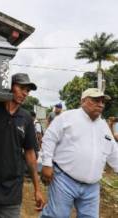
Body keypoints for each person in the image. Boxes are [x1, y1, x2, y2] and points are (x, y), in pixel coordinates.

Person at [0, 73, 45, 218]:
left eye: (28, 90)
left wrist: (37, 188)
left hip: (11, 190)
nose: (25, 93)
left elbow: (30, 155)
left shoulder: (26, 118)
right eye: (22, 88)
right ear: (10, 87)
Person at [41, 88, 118, 218]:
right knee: (57, 215)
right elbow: (49, 138)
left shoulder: (103, 126)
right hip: (64, 180)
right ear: (83, 101)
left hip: (92, 187)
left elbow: (113, 152)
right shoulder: (67, 117)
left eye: (102, 101)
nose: (101, 104)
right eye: (95, 100)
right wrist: (47, 164)